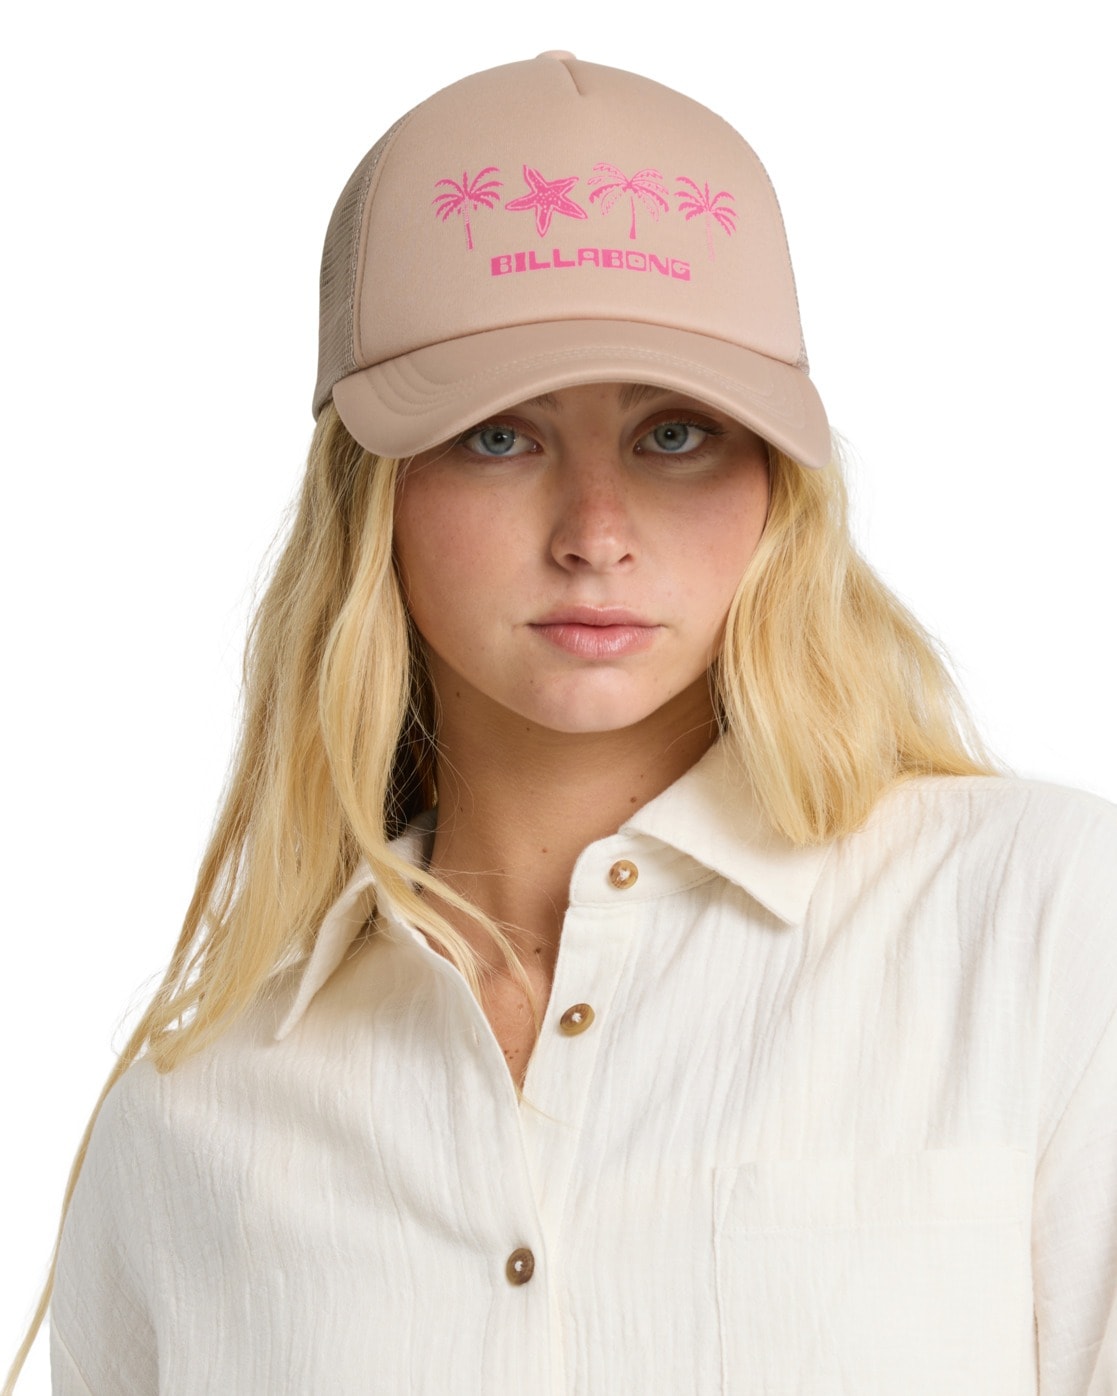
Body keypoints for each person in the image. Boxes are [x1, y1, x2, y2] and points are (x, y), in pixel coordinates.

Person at [6, 50, 1115, 1396]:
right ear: (370, 496)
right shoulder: (195, 1118)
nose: (594, 534)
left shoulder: (1043, 930)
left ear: (778, 482)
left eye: (674, 435)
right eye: (498, 435)